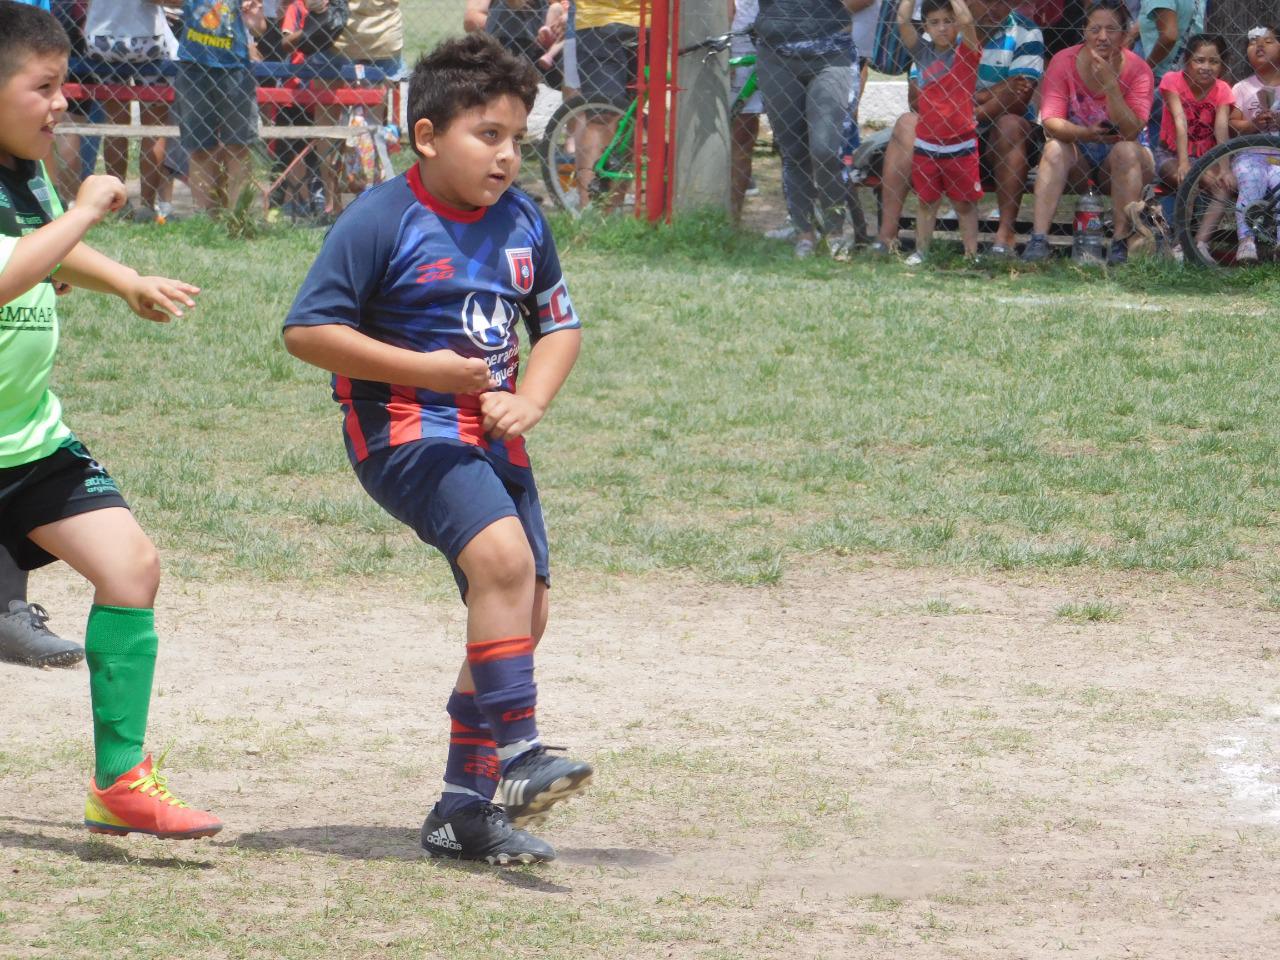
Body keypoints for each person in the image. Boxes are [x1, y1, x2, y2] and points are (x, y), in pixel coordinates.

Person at [282, 32, 591, 865]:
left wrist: (531, 397)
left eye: (517, 139)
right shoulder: (383, 217)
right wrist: (427, 371)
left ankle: (462, 810)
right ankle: (522, 758)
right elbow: (307, 332)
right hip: (404, 430)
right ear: (427, 136)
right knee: (501, 563)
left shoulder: (524, 219)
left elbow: (558, 324)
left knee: (523, 613)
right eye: (486, 135)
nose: (506, 156)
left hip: (488, 434)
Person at [0, 0, 220, 838]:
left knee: (130, 567)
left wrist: (122, 278)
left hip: (27, 441)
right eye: (44, 86)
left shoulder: (24, 169)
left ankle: (119, 782)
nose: (61, 104)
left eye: (65, 85)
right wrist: (87, 210)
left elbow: (44, 245)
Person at [873, 0, 1044, 257]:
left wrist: (956, 105)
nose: (997, 6)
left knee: (1011, 125)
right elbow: (916, 99)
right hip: (942, 131)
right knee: (906, 123)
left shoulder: (1025, 32)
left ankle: (1004, 235)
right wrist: (995, 91)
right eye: (987, 1)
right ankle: (887, 237)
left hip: (995, 136)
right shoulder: (937, 38)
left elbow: (1018, 100)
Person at [1022, 0, 1153, 264]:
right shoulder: (1063, 61)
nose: (1102, 37)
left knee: (1125, 150)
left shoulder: (1139, 70)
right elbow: (1051, 121)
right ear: (1083, 31)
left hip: (1122, 158)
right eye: (1095, 29)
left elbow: (1131, 130)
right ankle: (1038, 240)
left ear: (1125, 35)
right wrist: (1085, 133)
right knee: (1053, 148)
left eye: (1111, 30)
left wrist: (1110, 86)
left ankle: (1119, 243)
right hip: (1078, 151)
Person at [755, 0, 863, 257]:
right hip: (775, 56)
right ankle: (804, 234)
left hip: (832, 52)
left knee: (825, 150)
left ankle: (835, 231)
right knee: (793, 151)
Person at [897, 0, 982, 263]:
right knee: (926, 202)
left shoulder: (967, 52)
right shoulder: (922, 53)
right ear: (925, 27)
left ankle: (971, 255)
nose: (942, 28)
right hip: (927, 144)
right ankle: (922, 251)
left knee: (965, 204)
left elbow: (968, 22)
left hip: (961, 144)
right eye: (934, 23)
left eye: (948, 21)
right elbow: (902, 20)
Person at [172, 0, 267, 214]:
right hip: (194, 66)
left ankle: (238, 216)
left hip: (235, 69)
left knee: (238, 146)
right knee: (199, 147)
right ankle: (205, 218)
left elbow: (259, 28)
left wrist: (250, 16)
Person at [82, 0, 172, 223]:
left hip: (100, 39)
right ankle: (147, 206)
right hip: (145, 39)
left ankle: (116, 204)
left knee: (115, 122)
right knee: (154, 126)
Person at [1154, 32, 1231, 259]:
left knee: (1223, 186)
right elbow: (1180, 120)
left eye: (1214, 61)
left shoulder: (1223, 89)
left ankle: (1200, 244)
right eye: (1199, 60)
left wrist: (1225, 168)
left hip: (1206, 158)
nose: (1206, 67)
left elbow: (1221, 128)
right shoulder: (1172, 80)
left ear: (1222, 64)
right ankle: (1180, 244)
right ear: (1187, 61)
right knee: (1191, 179)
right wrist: (1185, 163)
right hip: (1171, 154)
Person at [1229, 24, 1280, 262]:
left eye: (1268, 41)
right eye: (1253, 42)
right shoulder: (1241, 87)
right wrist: (1254, 125)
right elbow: (1233, 124)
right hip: (1251, 153)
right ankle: (1246, 240)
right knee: (1251, 180)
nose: (1260, 45)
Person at [1137, 0, 1203, 145]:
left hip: (1161, 76)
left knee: (1155, 142)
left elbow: (1169, 36)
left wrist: (1144, 70)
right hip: (1189, 77)